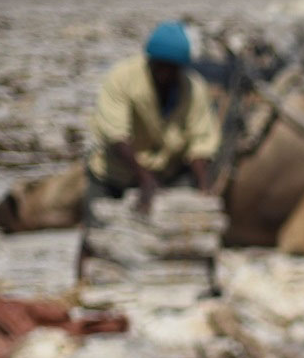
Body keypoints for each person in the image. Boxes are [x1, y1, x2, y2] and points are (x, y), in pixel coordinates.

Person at [87, 21, 219, 217]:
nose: (166, 74)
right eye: (161, 66)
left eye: (173, 68)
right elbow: (116, 135)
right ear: (151, 61)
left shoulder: (193, 88)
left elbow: (201, 140)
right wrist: (144, 178)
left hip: (165, 175)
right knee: (99, 226)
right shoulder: (122, 78)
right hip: (116, 175)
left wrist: (203, 186)